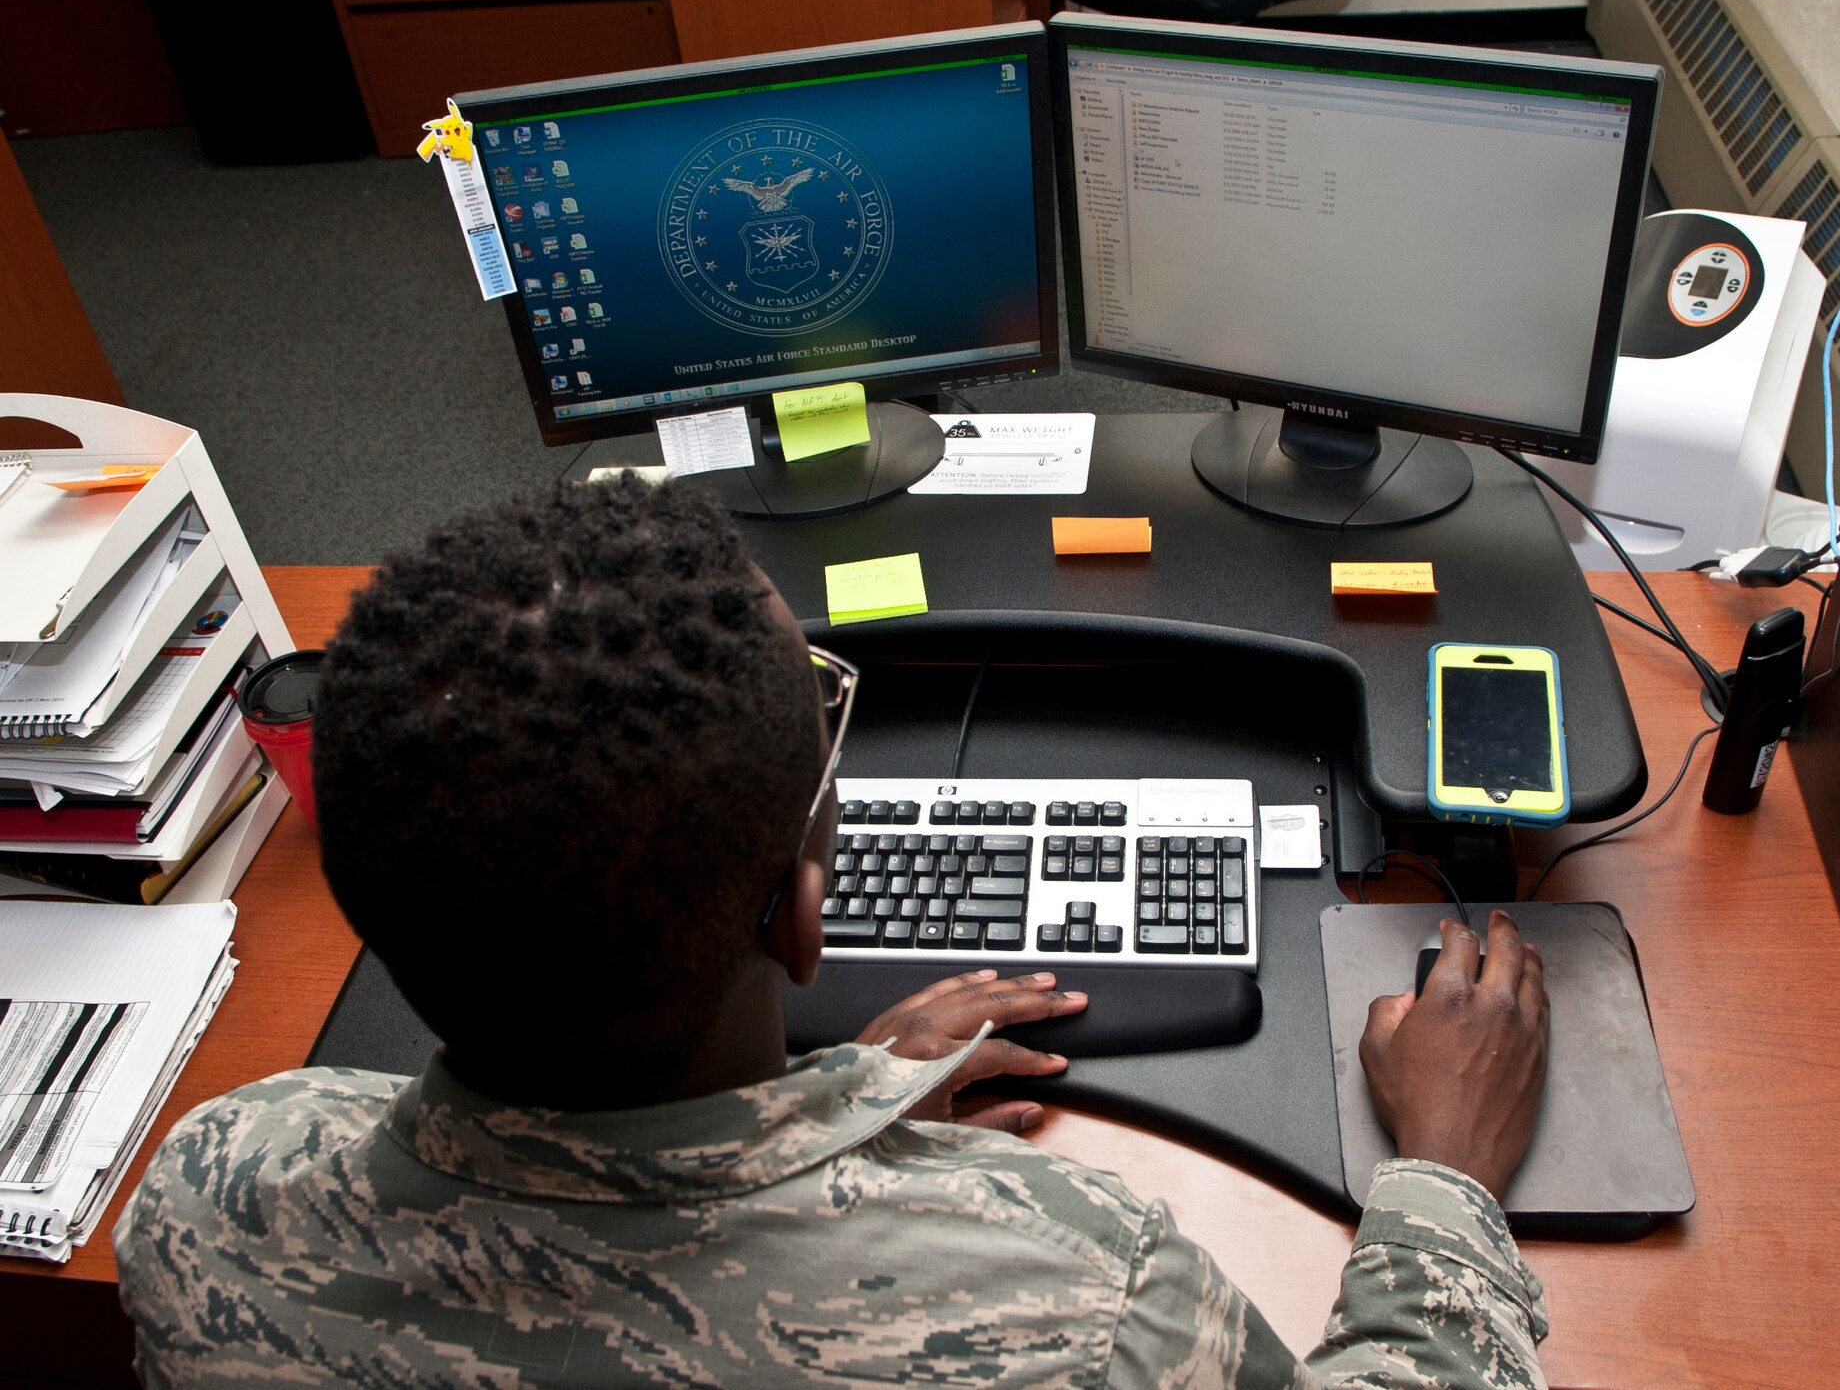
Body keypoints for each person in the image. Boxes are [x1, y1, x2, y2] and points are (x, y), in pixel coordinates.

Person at [115, 477, 1551, 1388]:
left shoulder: (210, 1197)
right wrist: (1442, 1180)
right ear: (808, 912)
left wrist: (852, 1087)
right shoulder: (1070, 1304)